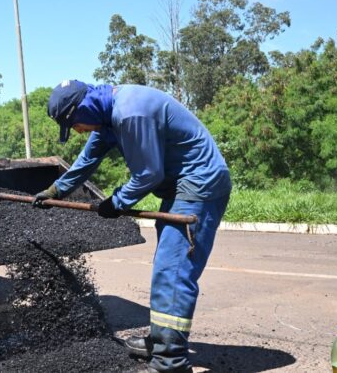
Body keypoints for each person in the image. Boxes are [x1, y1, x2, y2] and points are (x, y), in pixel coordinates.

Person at [33, 80, 231, 373]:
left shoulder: (129, 113)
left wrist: (117, 202)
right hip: (180, 188)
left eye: (74, 124)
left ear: (83, 108)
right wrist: (56, 189)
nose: (78, 131)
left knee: (173, 270)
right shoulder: (109, 114)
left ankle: (170, 362)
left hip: (198, 186)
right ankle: (161, 340)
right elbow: (89, 158)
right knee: (167, 265)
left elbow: (149, 174)